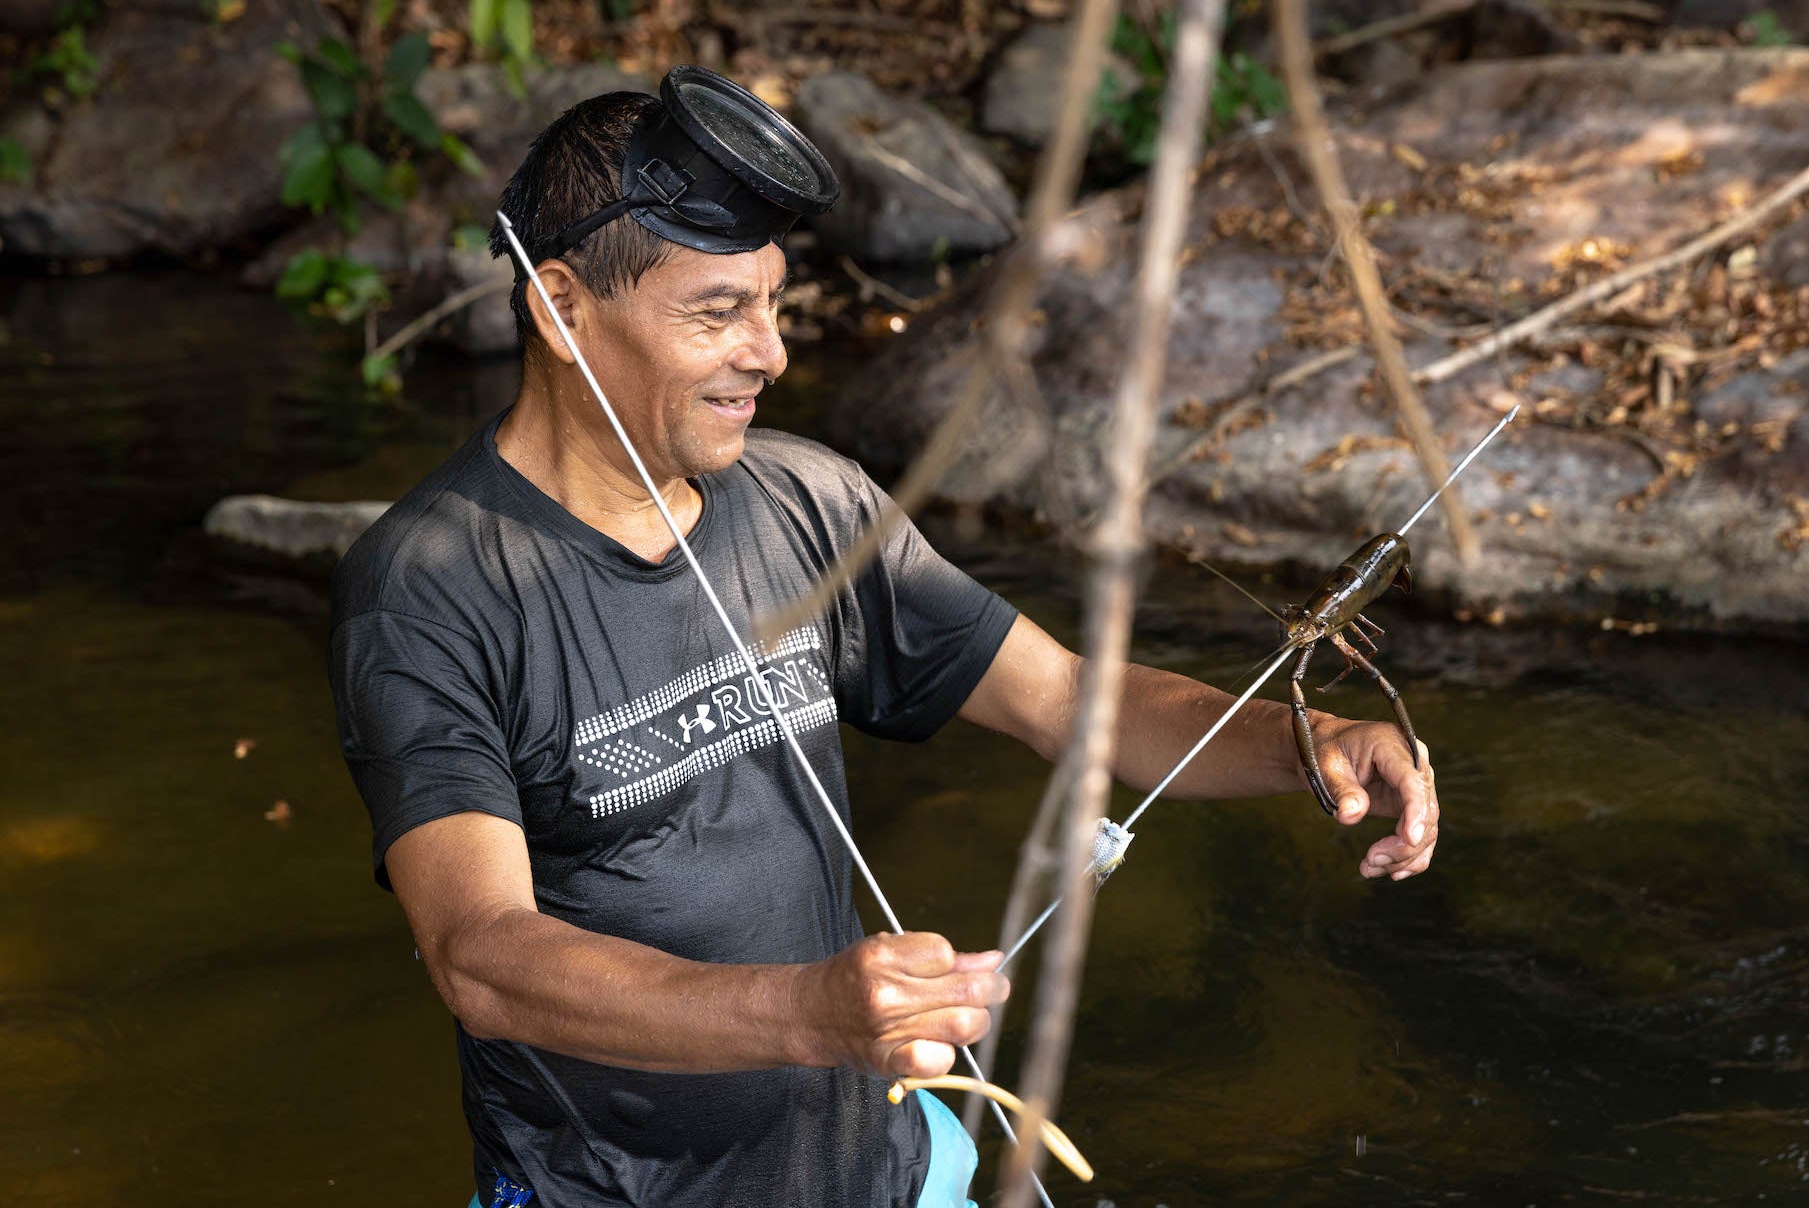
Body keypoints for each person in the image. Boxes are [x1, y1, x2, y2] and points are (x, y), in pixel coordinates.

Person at [328, 69, 1439, 1208]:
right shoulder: (428, 589)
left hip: (885, 1169)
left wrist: (1306, 741)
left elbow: (1063, 695)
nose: (770, 353)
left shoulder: (809, 503)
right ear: (561, 309)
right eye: (717, 312)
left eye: (774, 304)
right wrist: (808, 1012)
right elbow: (482, 954)